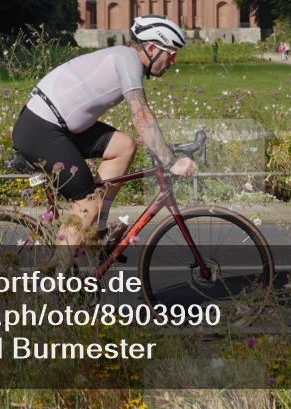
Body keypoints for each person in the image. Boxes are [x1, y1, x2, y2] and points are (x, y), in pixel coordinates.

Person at [11, 15, 198, 257]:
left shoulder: (124, 58)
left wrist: (165, 151)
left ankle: (97, 230)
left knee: (124, 146)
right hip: (40, 130)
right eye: (171, 53)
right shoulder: (128, 60)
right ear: (152, 48)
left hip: (57, 126)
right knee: (88, 206)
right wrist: (170, 161)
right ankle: (57, 274)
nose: (173, 61)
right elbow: (141, 114)